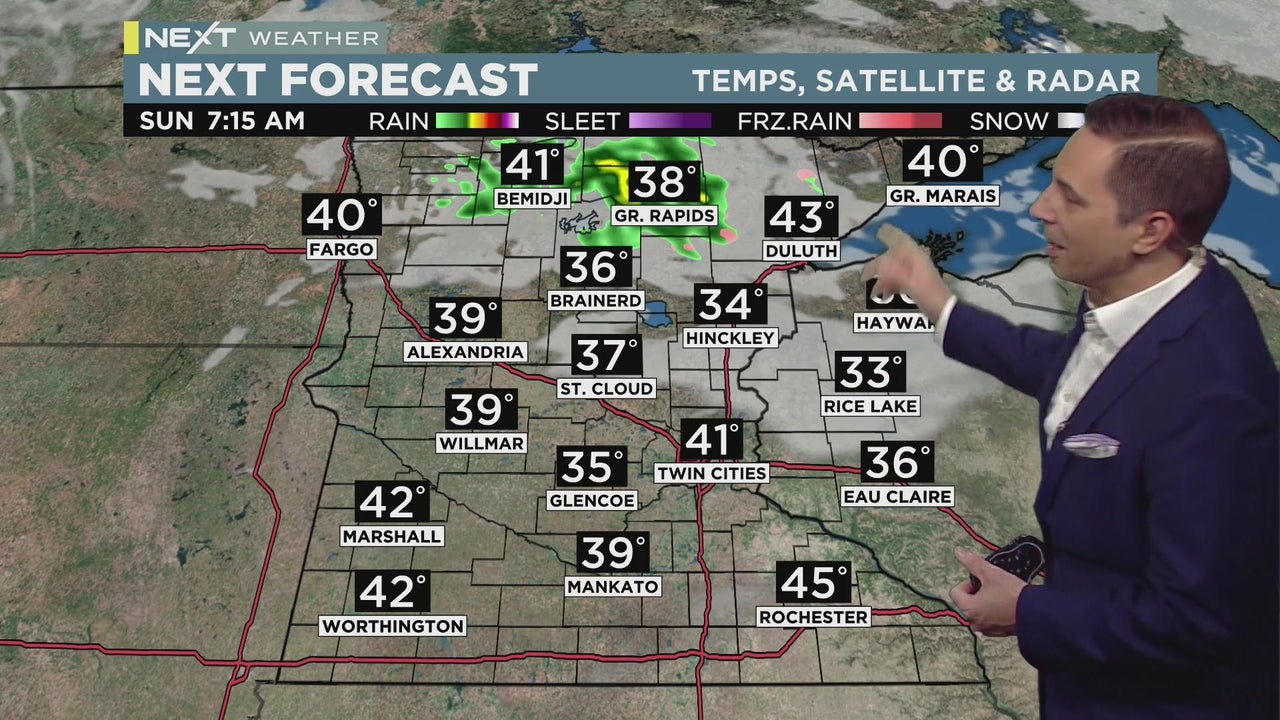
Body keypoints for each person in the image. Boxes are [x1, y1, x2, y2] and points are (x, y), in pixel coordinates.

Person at [860, 93, 1278, 719]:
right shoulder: (1151, 294)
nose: (1041, 208)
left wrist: (1026, 612)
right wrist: (939, 304)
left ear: (1150, 230)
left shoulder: (1214, 401)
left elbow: (1197, 620)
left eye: (1071, 199)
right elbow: (1081, 375)